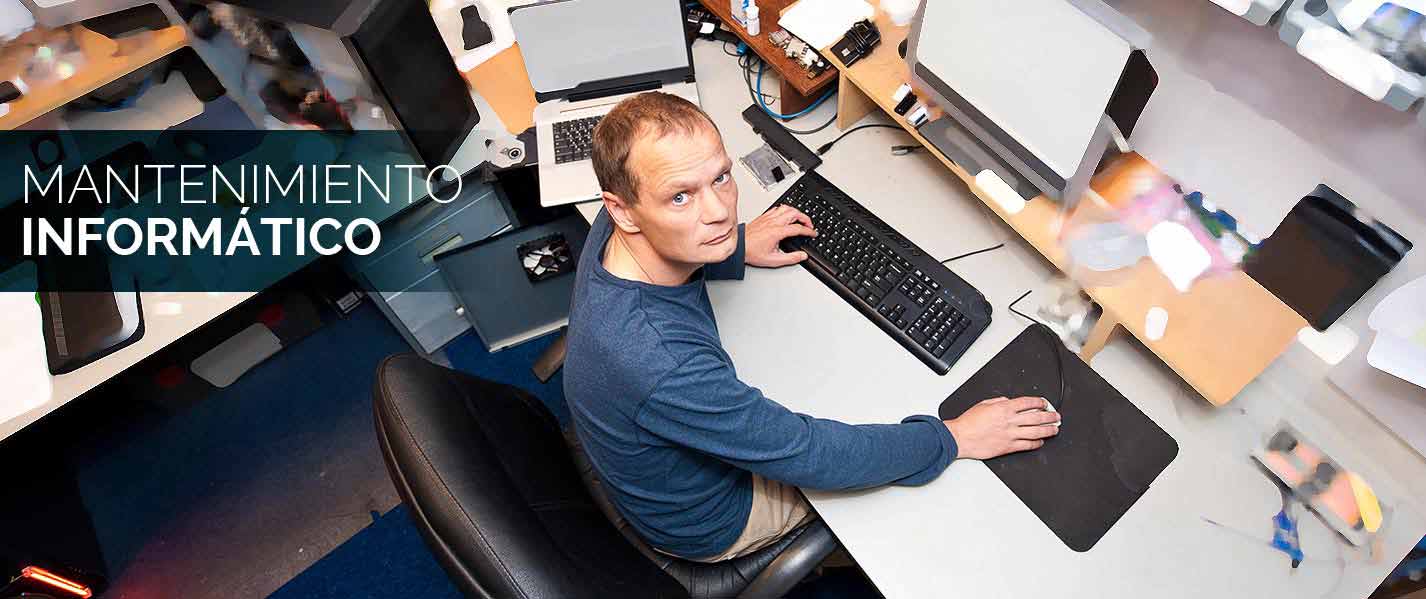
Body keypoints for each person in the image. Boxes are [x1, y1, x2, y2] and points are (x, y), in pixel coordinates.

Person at [563, 92, 1060, 563]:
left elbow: (689, 226)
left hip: (655, 462)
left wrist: (735, 245)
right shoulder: (661, 362)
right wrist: (953, 438)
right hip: (714, 517)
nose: (719, 212)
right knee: (934, 498)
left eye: (721, 178)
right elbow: (812, 454)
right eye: (680, 198)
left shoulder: (620, 228)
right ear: (621, 210)